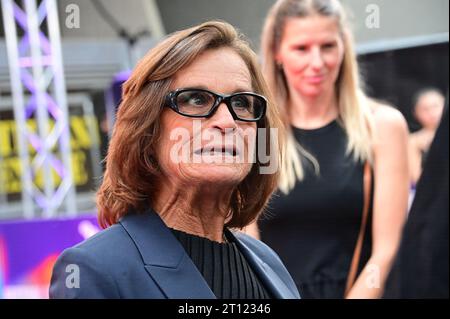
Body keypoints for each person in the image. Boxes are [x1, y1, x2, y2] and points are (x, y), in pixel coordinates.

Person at [49, 21, 300, 299]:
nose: (228, 121)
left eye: (241, 103)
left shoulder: (269, 263)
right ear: (147, 131)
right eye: (196, 99)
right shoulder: (95, 269)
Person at [252, 0, 410, 298]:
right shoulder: (261, 134)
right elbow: (248, 240)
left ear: (343, 48)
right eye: (301, 48)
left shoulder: (381, 126)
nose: (317, 62)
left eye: (327, 46)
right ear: (277, 53)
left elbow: (387, 250)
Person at [384, 105, 448, 299]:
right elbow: (418, 177)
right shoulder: (415, 141)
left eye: (436, 106)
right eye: (427, 108)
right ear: (418, 114)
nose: (432, 112)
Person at [408, 88, 445, 185]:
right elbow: (416, 176)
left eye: (435, 106)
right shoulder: (413, 141)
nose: (432, 113)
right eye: (425, 109)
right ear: (415, 114)